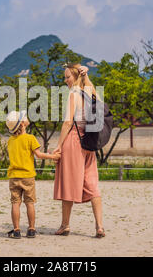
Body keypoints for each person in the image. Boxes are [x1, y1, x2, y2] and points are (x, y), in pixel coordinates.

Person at [52, 63, 106, 238]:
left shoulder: (74, 93)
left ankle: (65, 225)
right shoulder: (91, 92)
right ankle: (99, 227)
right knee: (92, 184)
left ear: (75, 77)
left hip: (74, 140)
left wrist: (59, 145)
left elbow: (68, 122)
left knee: (69, 183)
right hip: (89, 142)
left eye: (68, 76)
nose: (66, 80)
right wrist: (86, 76)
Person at [5, 110, 61, 239]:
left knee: (15, 203)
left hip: (14, 176)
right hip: (28, 176)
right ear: (23, 124)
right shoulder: (30, 138)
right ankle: (31, 229)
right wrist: (53, 156)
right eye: (24, 117)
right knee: (30, 203)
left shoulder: (10, 141)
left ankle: (17, 230)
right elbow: (39, 155)